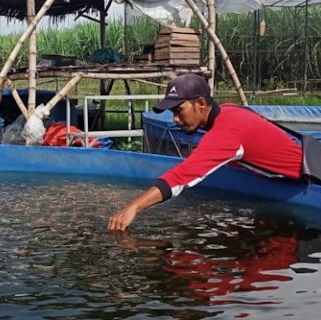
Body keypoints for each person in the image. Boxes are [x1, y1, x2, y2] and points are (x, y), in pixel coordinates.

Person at [107, 73, 304, 232]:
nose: (175, 118)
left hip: (308, 190)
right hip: (289, 183)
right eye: (172, 112)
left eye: (179, 110)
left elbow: (181, 175)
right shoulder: (228, 111)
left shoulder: (226, 131)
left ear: (201, 103)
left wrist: (132, 207)